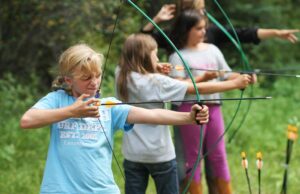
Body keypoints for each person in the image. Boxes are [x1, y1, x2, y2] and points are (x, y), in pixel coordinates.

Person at [19, 44, 210, 194]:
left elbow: (152, 115)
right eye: (86, 78)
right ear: (69, 80)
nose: (94, 82)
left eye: (98, 76)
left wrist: (189, 117)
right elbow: (27, 120)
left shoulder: (108, 106)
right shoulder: (57, 100)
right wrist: (72, 112)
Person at [115, 33, 252, 194]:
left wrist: (155, 68)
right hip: (159, 154)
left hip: (132, 154)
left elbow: (136, 69)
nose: (158, 60)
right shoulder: (157, 82)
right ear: (145, 57)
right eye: (156, 56)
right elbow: (195, 89)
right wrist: (234, 83)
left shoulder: (121, 75)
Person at [168, 10, 257, 194]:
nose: (203, 32)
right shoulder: (178, 56)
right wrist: (204, 78)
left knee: (219, 155)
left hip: (214, 107)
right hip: (190, 109)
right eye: (198, 28)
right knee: (193, 157)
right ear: (187, 30)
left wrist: (244, 77)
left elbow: (226, 74)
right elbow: (177, 86)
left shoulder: (213, 50)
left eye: (204, 28)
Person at [141, 2, 299, 54]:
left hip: (212, 99)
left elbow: (245, 34)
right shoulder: (171, 35)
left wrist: (276, 33)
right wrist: (155, 20)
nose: (202, 32)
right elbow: (140, 43)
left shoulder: (211, 32)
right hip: (183, 99)